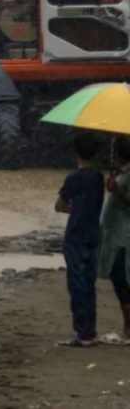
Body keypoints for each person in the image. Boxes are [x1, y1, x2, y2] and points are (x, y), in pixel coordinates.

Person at [54, 132, 104, 347]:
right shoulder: (99, 177)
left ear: (76, 152)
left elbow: (59, 205)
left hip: (75, 234)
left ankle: (82, 333)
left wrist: (73, 209)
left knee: (76, 284)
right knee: (89, 283)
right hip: (93, 233)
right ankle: (90, 331)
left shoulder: (74, 178)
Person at [98, 136, 130, 345]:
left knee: (122, 282)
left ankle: (128, 330)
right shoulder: (123, 173)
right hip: (116, 234)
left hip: (122, 236)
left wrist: (117, 190)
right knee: (120, 281)